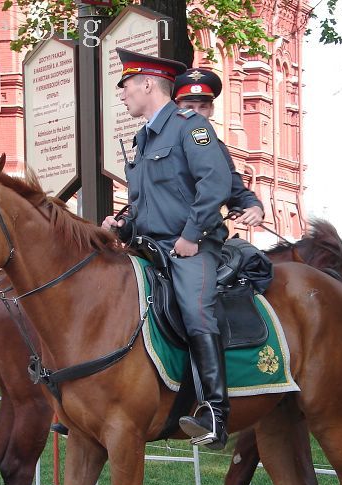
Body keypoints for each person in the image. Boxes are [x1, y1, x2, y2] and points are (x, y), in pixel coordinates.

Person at [102, 48, 233, 451]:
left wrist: (192, 235)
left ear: (146, 84)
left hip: (189, 248)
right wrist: (122, 223)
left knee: (196, 311)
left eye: (125, 86)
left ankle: (214, 412)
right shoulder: (144, 139)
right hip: (148, 246)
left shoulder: (189, 127)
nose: (122, 94)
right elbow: (147, 201)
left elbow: (215, 182)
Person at [172, 68, 264, 228]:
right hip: (159, 234)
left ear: (212, 109)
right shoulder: (161, 141)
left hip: (199, 234)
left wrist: (254, 208)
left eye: (203, 107)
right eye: (189, 107)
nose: (196, 114)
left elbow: (235, 190)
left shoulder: (216, 147)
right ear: (176, 107)